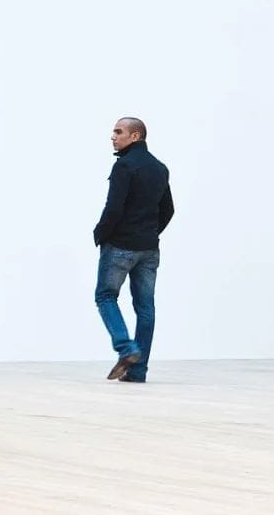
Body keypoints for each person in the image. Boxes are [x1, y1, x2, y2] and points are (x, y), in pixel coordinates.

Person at [93, 117, 174, 383]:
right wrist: (150, 233)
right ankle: (138, 371)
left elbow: (113, 208)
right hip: (149, 249)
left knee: (105, 296)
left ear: (135, 136)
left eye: (118, 132)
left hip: (120, 246)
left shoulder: (124, 166)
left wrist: (101, 233)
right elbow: (168, 210)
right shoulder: (160, 168)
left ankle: (127, 349)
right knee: (145, 308)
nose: (113, 137)